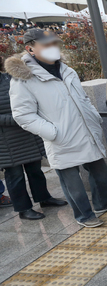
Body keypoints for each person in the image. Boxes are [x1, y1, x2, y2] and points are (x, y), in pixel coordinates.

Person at [7, 28, 107, 227]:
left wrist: (93, 116)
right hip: (60, 137)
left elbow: (82, 98)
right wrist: (53, 132)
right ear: (30, 49)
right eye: (46, 45)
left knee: (100, 171)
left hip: (86, 130)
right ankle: (84, 215)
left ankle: (104, 202)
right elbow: (23, 115)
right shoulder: (23, 79)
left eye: (54, 43)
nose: (52, 48)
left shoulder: (66, 69)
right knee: (72, 182)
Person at [1, 57, 67, 219]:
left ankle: (44, 198)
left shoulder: (9, 78)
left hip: (27, 134)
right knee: (15, 176)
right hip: (6, 141)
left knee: (35, 170)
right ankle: (23, 209)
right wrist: (18, 118)